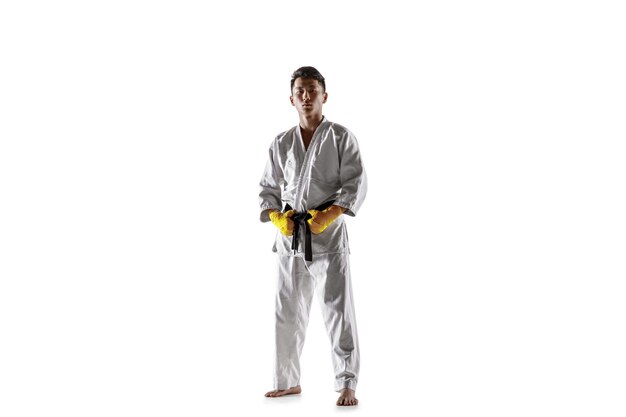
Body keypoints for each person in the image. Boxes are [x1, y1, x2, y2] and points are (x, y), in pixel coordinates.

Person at [258, 66, 367, 406]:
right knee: (286, 309)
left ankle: (347, 382)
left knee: (338, 310)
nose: (306, 96)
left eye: (312, 90)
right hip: (292, 237)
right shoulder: (281, 142)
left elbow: (355, 182)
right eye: (300, 91)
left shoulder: (340, 137)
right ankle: (287, 380)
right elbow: (267, 189)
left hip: (328, 234)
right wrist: (278, 217)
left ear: (324, 96)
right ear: (292, 98)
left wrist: (332, 213)